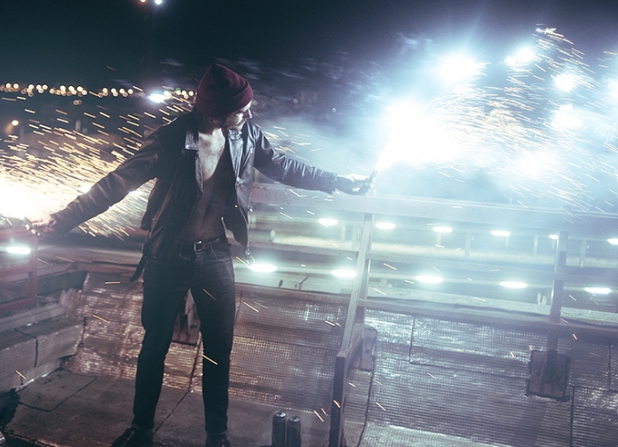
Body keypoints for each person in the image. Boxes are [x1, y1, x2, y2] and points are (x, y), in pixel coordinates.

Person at [31, 63, 371, 447]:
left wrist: (338, 182)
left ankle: (217, 437)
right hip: (167, 255)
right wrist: (62, 219)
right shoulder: (172, 139)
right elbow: (117, 183)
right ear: (217, 111)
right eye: (241, 110)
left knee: (219, 351)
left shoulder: (245, 135)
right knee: (154, 347)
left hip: (215, 255)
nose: (249, 116)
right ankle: (141, 431)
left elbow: (283, 166)